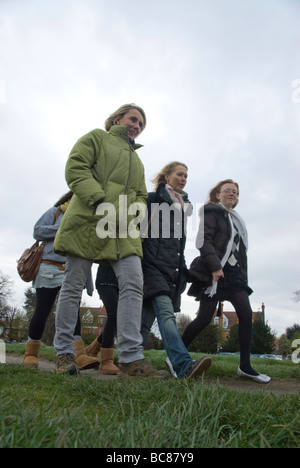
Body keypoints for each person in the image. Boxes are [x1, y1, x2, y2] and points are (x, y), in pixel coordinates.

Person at [53, 103, 168, 378]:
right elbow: (76, 167)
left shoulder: (137, 161)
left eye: (141, 124)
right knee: (73, 285)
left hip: (121, 230)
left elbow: (141, 196)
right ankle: (64, 354)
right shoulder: (96, 138)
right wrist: (101, 201)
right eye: (134, 119)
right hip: (88, 218)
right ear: (118, 118)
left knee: (133, 283)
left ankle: (130, 360)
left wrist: (132, 214)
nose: (137, 126)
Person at [181, 179, 271, 384]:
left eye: (236, 192)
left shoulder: (237, 220)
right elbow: (204, 240)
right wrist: (214, 267)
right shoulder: (211, 212)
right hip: (214, 272)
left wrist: (242, 275)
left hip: (234, 276)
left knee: (246, 314)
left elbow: (240, 252)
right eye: (228, 191)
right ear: (217, 195)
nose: (232, 194)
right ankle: (176, 354)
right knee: (204, 318)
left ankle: (245, 367)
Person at [140, 162, 212, 379]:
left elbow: (177, 245)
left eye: (186, 176)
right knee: (166, 314)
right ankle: (182, 364)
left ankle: (130, 361)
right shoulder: (152, 200)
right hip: (151, 265)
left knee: (144, 322)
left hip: (171, 272)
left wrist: (183, 270)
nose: (184, 179)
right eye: (180, 174)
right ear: (167, 176)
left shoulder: (183, 209)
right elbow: (138, 232)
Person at [24, 191, 99, 371]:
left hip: (72, 269)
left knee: (73, 312)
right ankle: (31, 353)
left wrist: (88, 281)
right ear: (68, 199)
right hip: (49, 266)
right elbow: (37, 231)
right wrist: (65, 226)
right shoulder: (55, 212)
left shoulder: (86, 219)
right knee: (43, 309)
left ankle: (77, 355)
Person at [85, 265, 119, 375]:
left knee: (120, 318)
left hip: (121, 282)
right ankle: (106, 361)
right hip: (106, 280)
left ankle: (92, 349)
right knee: (114, 314)